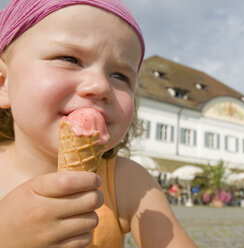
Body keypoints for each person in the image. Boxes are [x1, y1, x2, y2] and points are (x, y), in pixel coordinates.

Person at [0, 0, 196, 247]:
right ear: (3, 83)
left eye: (120, 76)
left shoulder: (126, 182)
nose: (101, 86)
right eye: (69, 58)